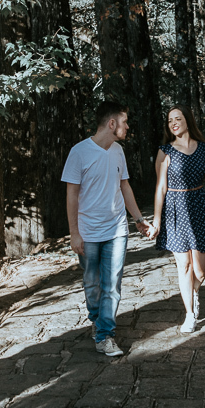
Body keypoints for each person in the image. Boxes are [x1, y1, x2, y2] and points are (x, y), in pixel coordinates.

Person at [62, 101, 152, 356]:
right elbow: (71, 195)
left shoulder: (118, 151)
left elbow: (124, 186)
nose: (127, 126)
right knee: (92, 284)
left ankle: (104, 335)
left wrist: (138, 219)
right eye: (124, 122)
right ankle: (97, 319)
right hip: (88, 233)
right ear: (112, 123)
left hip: (116, 230)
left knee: (111, 285)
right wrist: (74, 233)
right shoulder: (79, 152)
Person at [149, 105, 205, 334]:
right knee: (183, 265)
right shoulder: (165, 151)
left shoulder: (203, 148)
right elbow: (160, 187)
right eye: (170, 120)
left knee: (200, 272)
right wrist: (157, 220)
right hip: (175, 210)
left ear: (188, 120)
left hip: (198, 207)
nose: (173, 123)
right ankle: (190, 314)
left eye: (178, 118)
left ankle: (194, 291)